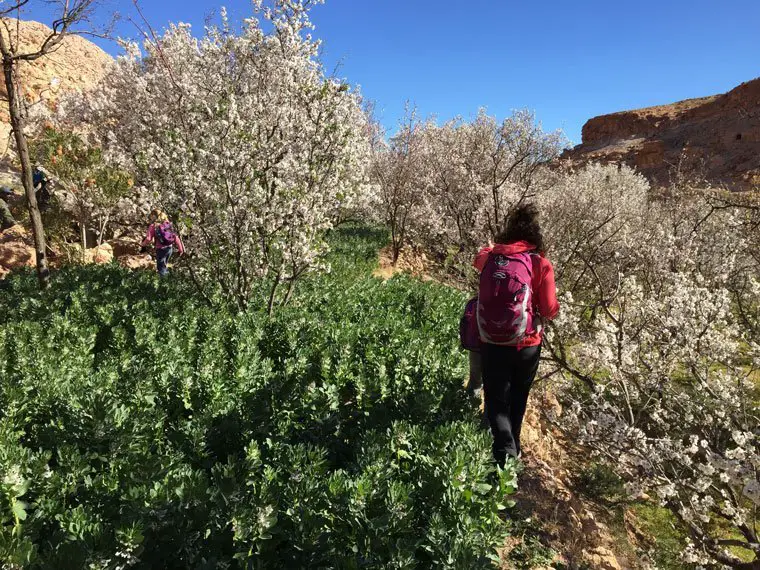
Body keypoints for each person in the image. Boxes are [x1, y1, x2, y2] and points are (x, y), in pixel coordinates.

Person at [473, 204, 559, 467]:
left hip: (491, 340)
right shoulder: (540, 263)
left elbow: (478, 260)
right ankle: (512, 451)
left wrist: (492, 247)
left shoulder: (491, 257)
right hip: (527, 343)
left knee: (496, 399)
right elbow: (549, 309)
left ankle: (503, 452)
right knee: (518, 398)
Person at [141, 209, 185, 276]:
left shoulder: (153, 226)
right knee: (164, 265)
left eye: (152, 216)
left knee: (161, 268)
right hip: (169, 248)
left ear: (154, 216)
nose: (151, 217)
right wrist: (180, 249)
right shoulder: (168, 224)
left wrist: (143, 244)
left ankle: (164, 284)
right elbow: (176, 237)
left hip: (161, 250)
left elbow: (148, 239)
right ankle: (168, 279)